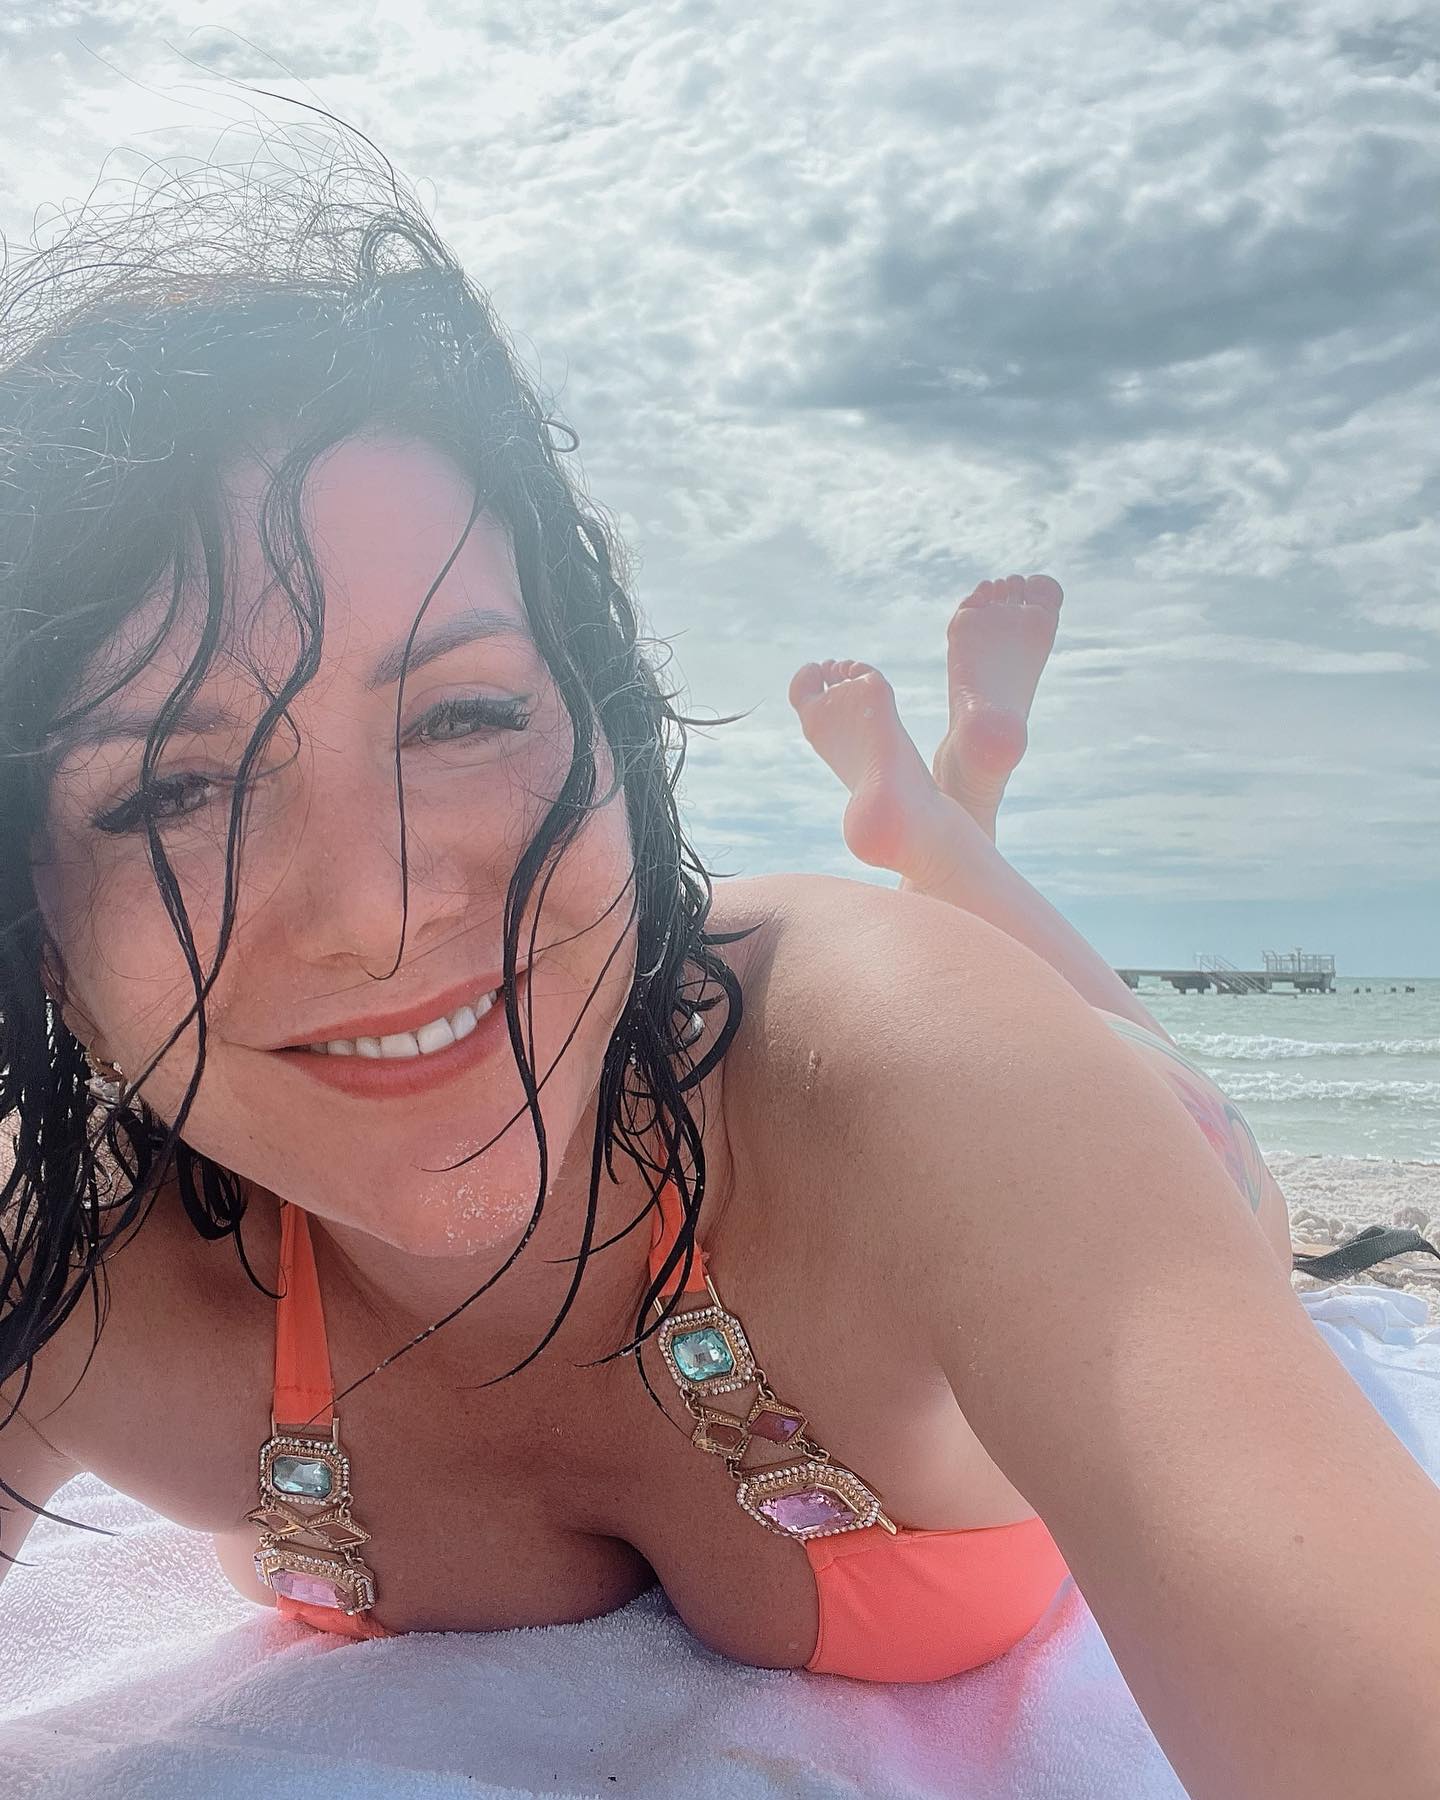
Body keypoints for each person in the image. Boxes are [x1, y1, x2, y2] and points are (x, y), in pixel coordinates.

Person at [2, 143, 1438, 1800]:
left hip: (1115, 1121)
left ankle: (949, 842)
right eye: (170, 790)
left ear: (612, 737)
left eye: (464, 715)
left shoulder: (915, 1081)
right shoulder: (67, 1266)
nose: (373, 919)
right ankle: (939, 820)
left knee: (1095, 1040)